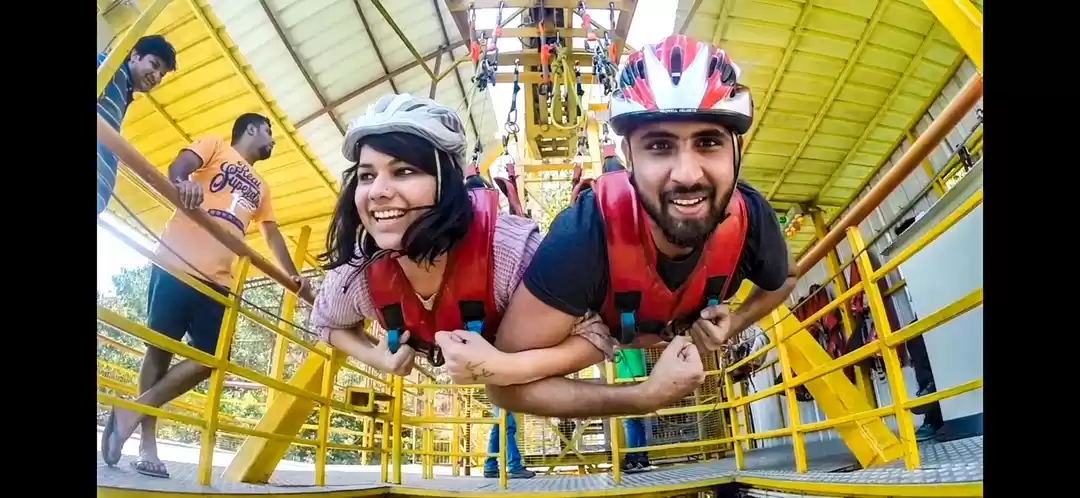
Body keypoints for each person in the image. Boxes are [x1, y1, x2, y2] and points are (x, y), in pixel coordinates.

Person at [480, 34, 798, 418]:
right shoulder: (584, 237)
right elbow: (506, 388)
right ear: (628, 155)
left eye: (709, 142)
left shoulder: (751, 220)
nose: (686, 175)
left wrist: (735, 322)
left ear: (737, 151)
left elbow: (785, 278)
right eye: (659, 146)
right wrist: (642, 396)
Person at [306, 93, 605, 478]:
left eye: (403, 171)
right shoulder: (358, 271)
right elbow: (326, 322)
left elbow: (595, 334)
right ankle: (502, 461)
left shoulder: (511, 253)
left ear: (447, 181)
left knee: (506, 405)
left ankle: (507, 463)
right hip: (465, 353)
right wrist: (376, 357)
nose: (377, 190)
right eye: (366, 175)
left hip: (510, 362)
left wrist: (505, 367)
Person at [100, 113, 313, 478]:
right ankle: (146, 445)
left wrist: (294, 276)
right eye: (269, 132)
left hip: (219, 278)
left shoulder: (262, 188)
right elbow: (178, 166)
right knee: (160, 347)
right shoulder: (215, 144)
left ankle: (132, 409)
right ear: (251, 129)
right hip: (177, 259)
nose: (273, 141)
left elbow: (272, 235)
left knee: (213, 358)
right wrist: (184, 181)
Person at [98, 35, 178, 215]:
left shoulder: (122, 92)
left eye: (162, 74)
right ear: (134, 55)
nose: (157, 77)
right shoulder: (108, 68)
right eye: (154, 65)